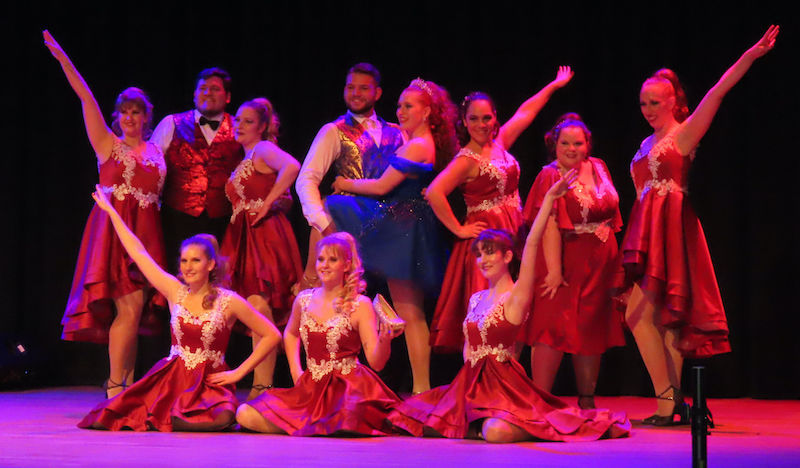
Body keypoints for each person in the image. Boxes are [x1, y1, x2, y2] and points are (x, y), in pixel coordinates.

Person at [389, 171, 630, 442]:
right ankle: (472, 423)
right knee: (416, 419)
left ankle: (524, 427)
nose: (483, 259)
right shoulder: (477, 298)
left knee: (495, 433)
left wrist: (549, 199)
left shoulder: (516, 295)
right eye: (479, 253)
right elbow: (469, 348)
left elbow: (532, 243)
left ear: (507, 256)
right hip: (471, 383)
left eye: (490, 252)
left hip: (503, 386)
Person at [618, 25, 779, 425]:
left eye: (655, 102)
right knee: (661, 317)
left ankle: (668, 400)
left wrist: (751, 55)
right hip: (647, 229)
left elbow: (718, 92)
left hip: (672, 227)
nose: (648, 109)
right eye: (643, 103)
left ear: (674, 101)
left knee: (640, 315)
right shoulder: (644, 145)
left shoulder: (683, 135)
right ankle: (671, 404)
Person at [78, 186, 281, 431]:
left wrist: (239, 373)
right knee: (107, 417)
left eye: (195, 260)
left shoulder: (228, 301)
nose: (188, 267)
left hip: (209, 384)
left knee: (221, 417)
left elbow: (272, 335)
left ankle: (172, 417)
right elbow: (139, 252)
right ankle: (166, 414)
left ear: (211, 264)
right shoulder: (175, 290)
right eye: (184, 260)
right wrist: (112, 212)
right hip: (173, 380)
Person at [44, 30, 168, 398]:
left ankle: (124, 384)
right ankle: (116, 388)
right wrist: (64, 60)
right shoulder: (107, 145)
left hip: (146, 234)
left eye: (136, 112)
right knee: (128, 309)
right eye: (124, 111)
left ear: (146, 117)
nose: (129, 117)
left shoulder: (156, 150)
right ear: (117, 116)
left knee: (134, 311)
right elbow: (86, 97)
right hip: (113, 233)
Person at [426, 66, 574, 353]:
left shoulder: (500, 142)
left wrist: (554, 85)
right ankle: (484, 370)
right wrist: (459, 229)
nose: (481, 124)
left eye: (487, 118)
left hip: (514, 230)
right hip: (489, 235)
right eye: (474, 119)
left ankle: (510, 370)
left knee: (517, 306)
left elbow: (526, 112)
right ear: (464, 122)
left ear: (495, 117)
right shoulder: (466, 160)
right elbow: (434, 192)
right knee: (492, 311)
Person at [330, 78, 457, 394]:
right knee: (410, 313)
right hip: (406, 225)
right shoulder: (418, 141)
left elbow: (381, 186)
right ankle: (421, 388)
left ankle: (422, 389)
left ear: (427, 112)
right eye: (399, 105)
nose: (400, 111)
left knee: (410, 313)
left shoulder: (418, 145)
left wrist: (345, 183)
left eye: (408, 106)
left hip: (403, 229)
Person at [235, 232, 405, 436]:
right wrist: (296, 371)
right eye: (321, 259)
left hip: (347, 389)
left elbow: (376, 363)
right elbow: (290, 334)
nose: (324, 265)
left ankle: (316, 427)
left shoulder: (360, 304)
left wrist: (385, 340)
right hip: (311, 387)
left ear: (346, 265)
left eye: (332, 260)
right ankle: (312, 427)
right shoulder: (304, 300)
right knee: (244, 414)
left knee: (348, 419)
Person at [522, 114, 625, 409]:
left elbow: (611, 214)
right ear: (554, 146)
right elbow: (549, 223)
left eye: (577, 143)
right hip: (564, 257)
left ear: (587, 144)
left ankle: (587, 399)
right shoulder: (550, 175)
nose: (571, 149)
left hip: (600, 260)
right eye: (564, 143)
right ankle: (540, 399)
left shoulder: (599, 167)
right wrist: (555, 270)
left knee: (591, 325)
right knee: (552, 324)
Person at [294, 63, 404, 291]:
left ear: (377, 93)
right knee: (337, 294)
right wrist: (323, 223)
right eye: (351, 87)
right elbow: (307, 179)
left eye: (363, 88)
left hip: (388, 226)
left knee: (386, 296)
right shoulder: (334, 130)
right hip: (348, 220)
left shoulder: (397, 132)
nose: (356, 93)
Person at [220, 98, 303, 399]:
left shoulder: (263, 149)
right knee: (246, 306)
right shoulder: (245, 158)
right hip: (243, 237)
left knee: (258, 304)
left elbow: (292, 166)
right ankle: (254, 386)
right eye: (238, 120)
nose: (239, 125)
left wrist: (268, 203)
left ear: (263, 126)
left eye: (248, 121)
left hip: (263, 234)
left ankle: (262, 388)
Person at [150, 67, 244, 266]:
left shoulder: (239, 128)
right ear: (194, 95)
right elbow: (150, 168)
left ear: (228, 96)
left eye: (215, 89)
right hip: (176, 218)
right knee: (177, 272)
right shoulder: (171, 123)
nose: (208, 93)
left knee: (220, 273)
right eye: (203, 88)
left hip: (223, 220)